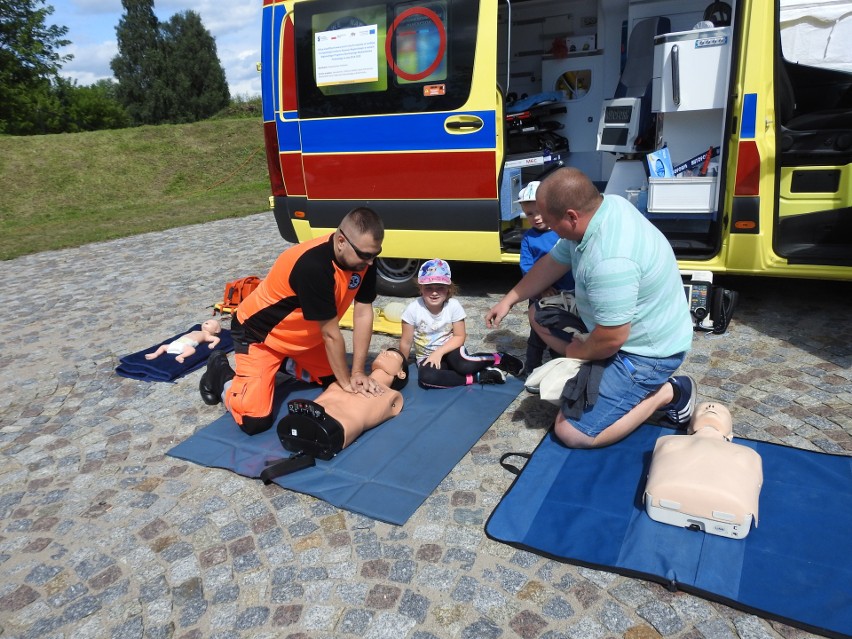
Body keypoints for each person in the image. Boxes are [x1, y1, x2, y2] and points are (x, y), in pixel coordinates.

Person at [485, 167, 696, 449]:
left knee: (572, 432)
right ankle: (592, 368)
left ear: (572, 216)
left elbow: (611, 338)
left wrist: (576, 351)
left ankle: (670, 392)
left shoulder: (610, 260)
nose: (545, 227)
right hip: (612, 327)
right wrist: (509, 298)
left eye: (550, 221)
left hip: (647, 353)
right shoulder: (607, 205)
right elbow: (552, 262)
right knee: (537, 312)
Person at [199, 207, 385, 435]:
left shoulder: (365, 260)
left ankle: (287, 362)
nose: (370, 262)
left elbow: (364, 312)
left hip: (304, 339)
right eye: (364, 254)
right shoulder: (313, 266)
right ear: (340, 241)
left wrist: (357, 372)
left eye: (375, 253)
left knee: (333, 382)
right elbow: (330, 334)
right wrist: (347, 383)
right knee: (253, 421)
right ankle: (220, 374)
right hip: (259, 336)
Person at [399, 258, 524, 388]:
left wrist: (439, 352)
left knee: (465, 365)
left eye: (440, 287)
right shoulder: (412, 309)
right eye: (428, 287)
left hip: (451, 349)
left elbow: (459, 336)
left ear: (448, 289)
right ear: (421, 288)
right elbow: (406, 342)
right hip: (426, 357)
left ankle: (499, 358)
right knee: (427, 378)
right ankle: (479, 376)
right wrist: (400, 366)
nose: (434, 292)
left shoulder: (453, 305)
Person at [279, 347, 409, 451]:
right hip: (303, 416)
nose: (383, 352)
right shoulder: (346, 379)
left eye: (392, 355)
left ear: (401, 373)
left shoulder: (392, 396)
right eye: (384, 350)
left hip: (332, 429)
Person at [518, 181, 575, 372]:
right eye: (530, 214)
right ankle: (531, 368)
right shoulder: (529, 238)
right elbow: (527, 266)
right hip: (540, 296)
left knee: (563, 332)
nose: (536, 217)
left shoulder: (563, 232)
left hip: (567, 294)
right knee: (537, 336)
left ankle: (558, 367)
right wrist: (540, 288)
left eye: (540, 211)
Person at [146, 319, 222, 363]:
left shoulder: (207, 336)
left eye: (211, 323)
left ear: (216, 330)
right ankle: (155, 354)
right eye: (206, 321)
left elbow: (217, 339)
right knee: (163, 346)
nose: (207, 322)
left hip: (186, 344)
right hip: (177, 342)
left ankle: (180, 356)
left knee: (192, 350)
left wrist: (213, 344)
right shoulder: (195, 330)